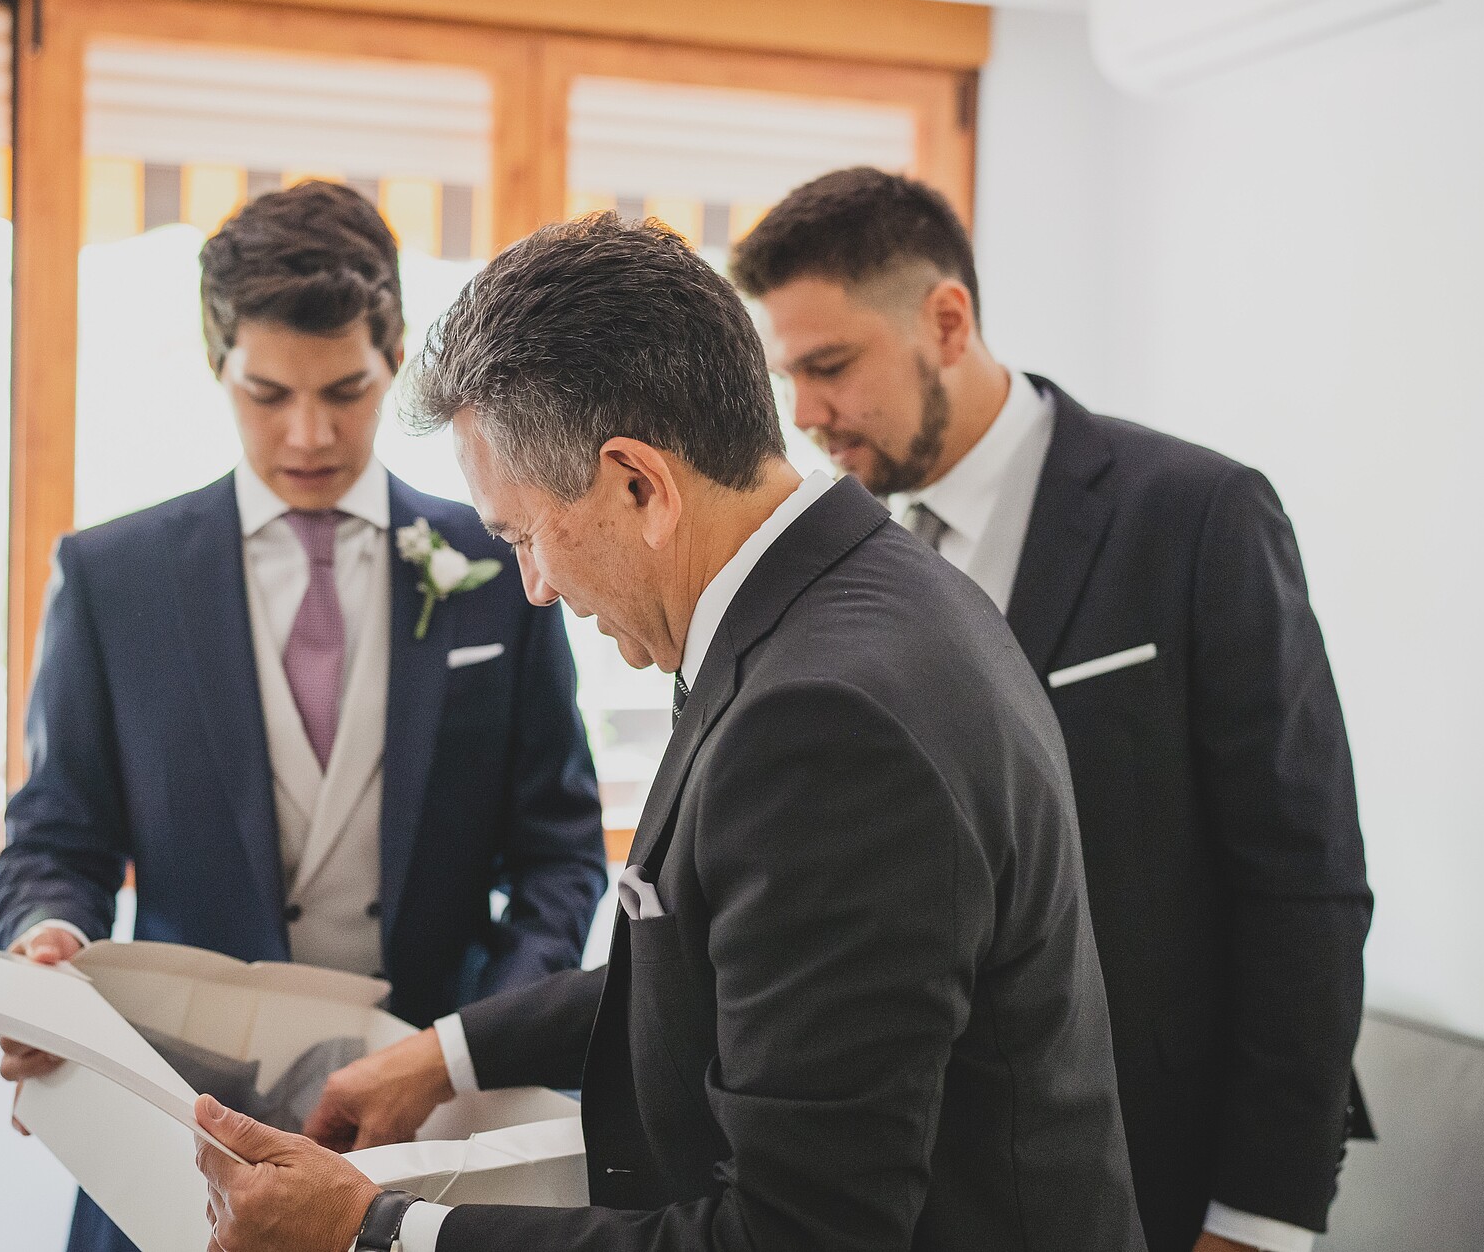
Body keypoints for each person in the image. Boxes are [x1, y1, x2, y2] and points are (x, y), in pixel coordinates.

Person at [190, 212, 1145, 1252]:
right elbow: (738, 964)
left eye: (523, 535)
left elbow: (792, 1236)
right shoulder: (864, 592)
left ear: (638, 484)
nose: (536, 586)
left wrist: (376, 1231)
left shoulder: (821, 724)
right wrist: (446, 1054)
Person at [728, 167, 1373, 1252]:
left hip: (1155, 1159)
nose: (806, 415)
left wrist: (1261, 1212)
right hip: (923, 1184)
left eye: (829, 367)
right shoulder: (838, 557)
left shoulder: (1194, 514)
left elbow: (1300, 879)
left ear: (944, 320)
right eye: (788, 375)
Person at [0, 183, 607, 1252]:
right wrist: (47, 939)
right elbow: (59, 836)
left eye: (347, 390)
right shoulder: (112, 578)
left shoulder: (496, 560)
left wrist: (471, 1051)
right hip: (176, 1131)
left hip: (420, 1139)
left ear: (396, 352)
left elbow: (557, 853)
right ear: (216, 359)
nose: (310, 434)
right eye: (267, 393)